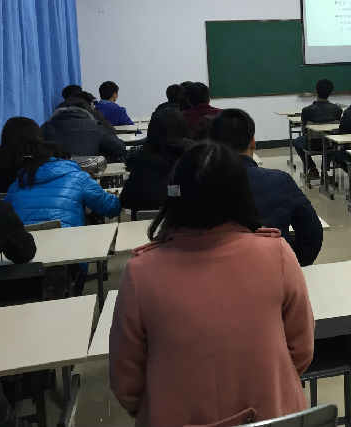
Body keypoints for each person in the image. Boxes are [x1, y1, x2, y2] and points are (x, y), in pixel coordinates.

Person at [109, 142, 315, 427]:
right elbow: (301, 349)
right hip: (271, 416)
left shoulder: (140, 272)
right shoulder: (278, 254)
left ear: (173, 198)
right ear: (242, 195)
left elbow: (126, 381)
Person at [210, 109, 323, 266]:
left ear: (212, 144)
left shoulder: (197, 185)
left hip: (219, 272)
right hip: (272, 267)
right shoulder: (281, 180)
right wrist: (290, 264)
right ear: (253, 143)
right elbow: (312, 233)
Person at [4, 118, 120, 227]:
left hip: (27, 240)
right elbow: (111, 208)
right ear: (67, 158)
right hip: (69, 240)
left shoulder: (18, 183)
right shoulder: (79, 178)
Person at [119, 108, 194, 218]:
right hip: (190, 224)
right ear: (184, 128)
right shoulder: (196, 157)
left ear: (151, 131)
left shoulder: (141, 162)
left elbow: (126, 201)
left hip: (147, 226)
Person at [41, 98, 126, 162]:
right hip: (89, 174)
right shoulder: (95, 126)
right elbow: (120, 148)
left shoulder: (45, 127)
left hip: (53, 176)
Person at [292, 78, 343, 181]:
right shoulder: (337, 110)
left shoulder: (307, 110)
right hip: (330, 144)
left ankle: (312, 168)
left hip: (312, 144)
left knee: (296, 141)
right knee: (329, 140)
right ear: (330, 92)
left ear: (316, 90)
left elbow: (304, 131)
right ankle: (325, 170)